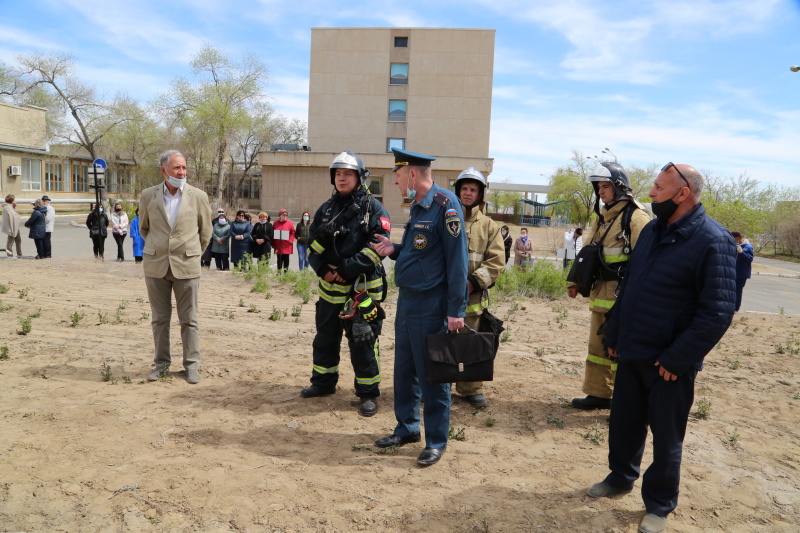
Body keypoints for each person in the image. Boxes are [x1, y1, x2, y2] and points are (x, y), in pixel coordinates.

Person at [587, 163, 736, 533]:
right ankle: (620, 477)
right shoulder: (653, 230)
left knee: (667, 438)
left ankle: (659, 505)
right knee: (624, 424)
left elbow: (717, 312)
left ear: (682, 193)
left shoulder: (713, 240)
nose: (650, 194)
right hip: (633, 351)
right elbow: (631, 289)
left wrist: (678, 357)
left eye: (657, 187)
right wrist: (615, 336)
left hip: (669, 363)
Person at [370, 148, 467, 467]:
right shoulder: (418, 207)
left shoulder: (445, 205)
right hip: (409, 301)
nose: (396, 182)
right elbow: (421, 252)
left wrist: (456, 310)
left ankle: (436, 439)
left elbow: (457, 263)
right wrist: (394, 249)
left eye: (397, 176)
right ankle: (408, 428)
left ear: (412, 174)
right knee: (406, 369)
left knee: (432, 374)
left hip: (432, 304)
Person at [302, 151, 391, 417]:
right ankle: (323, 383)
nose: (342, 178)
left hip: (362, 294)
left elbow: (378, 248)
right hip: (329, 293)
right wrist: (322, 269)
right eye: (338, 174)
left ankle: (368, 394)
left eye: (347, 174)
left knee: (363, 343)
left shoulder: (374, 209)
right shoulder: (326, 209)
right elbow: (311, 247)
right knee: (325, 340)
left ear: (359, 177)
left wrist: (345, 269)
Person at [567, 162, 651, 410]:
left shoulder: (636, 218)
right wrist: (575, 281)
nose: (601, 192)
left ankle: (624, 403)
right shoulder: (602, 219)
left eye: (606, 186)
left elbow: (645, 263)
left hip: (622, 300)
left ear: (620, 188)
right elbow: (588, 254)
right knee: (597, 349)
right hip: (600, 296)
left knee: (620, 351)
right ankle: (599, 394)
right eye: (598, 187)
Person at [139, 149, 212, 385]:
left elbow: (205, 233)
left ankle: (191, 365)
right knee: (159, 319)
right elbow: (144, 228)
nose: (182, 172)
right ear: (163, 170)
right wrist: (158, 248)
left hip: (187, 265)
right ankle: (161, 365)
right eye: (176, 168)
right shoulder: (148, 195)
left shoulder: (198, 196)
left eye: (184, 167)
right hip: (156, 265)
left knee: (189, 319)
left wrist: (191, 253)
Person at [453, 167, 505, 408]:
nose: (468, 193)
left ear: (480, 194)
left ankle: (471, 388)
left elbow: (496, 262)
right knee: (443, 342)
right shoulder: (446, 219)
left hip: (473, 300)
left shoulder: (489, 226)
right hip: (444, 297)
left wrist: (473, 282)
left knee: (472, 343)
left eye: (473, 189)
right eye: (464, 188)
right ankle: (441, 383)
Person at [730, 230, 753, 312]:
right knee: (731, 290)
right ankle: (731, 306)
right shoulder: (734, 245)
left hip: (742, 273)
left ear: (738, 238)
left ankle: (736, 308)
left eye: (734, 239)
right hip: (733, 271)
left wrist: (741, 252)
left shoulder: (747, 247)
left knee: (738, 290)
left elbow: (749, 258)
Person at [2, 194, 23, 259]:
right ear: (11, 201)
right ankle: (9, 255)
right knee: (10, 242)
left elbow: (14, 215)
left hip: (15, 226)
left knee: (18, 240)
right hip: (11, 227)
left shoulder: (10, 207)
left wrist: (14, 207)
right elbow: (13, 217)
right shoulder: (7, 207)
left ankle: (19, 254)